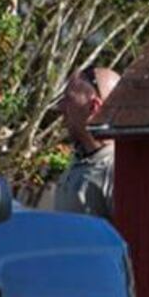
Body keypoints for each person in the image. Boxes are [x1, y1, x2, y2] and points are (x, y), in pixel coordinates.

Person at [53, 65, 121, 219]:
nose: (60, 107)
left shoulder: (116, 171)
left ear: (94, 107)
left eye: (69, 99)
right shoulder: (78, 161)